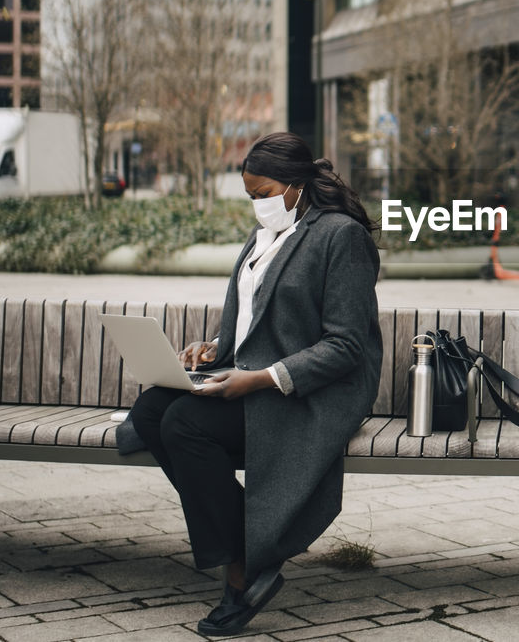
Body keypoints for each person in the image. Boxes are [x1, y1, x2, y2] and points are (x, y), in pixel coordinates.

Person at [126, 132, 382, 636]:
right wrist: (215, 347)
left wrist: (261, 379)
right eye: (250, 197)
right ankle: (249, 543)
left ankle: (241, 573)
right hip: (257, 377)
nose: (258, 206)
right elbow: (263, 316)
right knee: (152, 411)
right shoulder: (264, 238)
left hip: (314, 390)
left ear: (296, 186)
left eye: (264, 194)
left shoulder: (340, 237)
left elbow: (347, 346)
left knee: (184, 425)